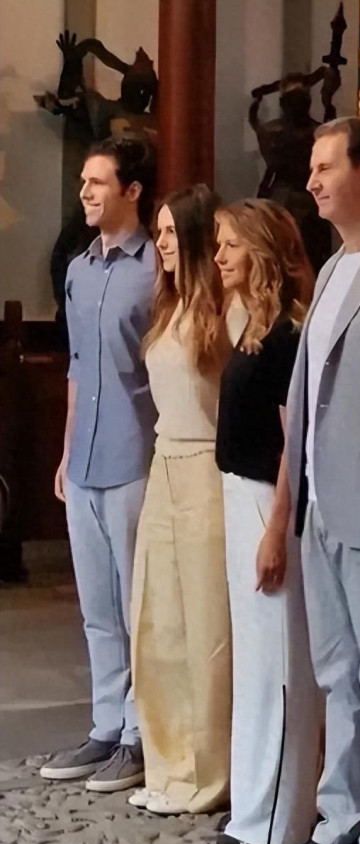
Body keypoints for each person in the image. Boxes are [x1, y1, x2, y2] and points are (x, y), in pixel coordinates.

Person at [261, 117, 360, 844]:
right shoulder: (327, 273)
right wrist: (288, 505)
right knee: (335, 670)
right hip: (320, 502)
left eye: (327, 168)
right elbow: (305, 399)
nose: (313, 182)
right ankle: (341, 824)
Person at [41, 137, 157, 792]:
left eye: (97, 182)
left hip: (136, 453)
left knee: (138, 605)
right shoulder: (78, 270)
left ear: (131, 191)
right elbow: (77, 368)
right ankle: (106, 725)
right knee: (96, 606)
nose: (85, 192)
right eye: (84, 181)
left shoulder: (157, 268)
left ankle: (140, 735)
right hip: (84, 456)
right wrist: (64, 451)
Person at [127, 184, 243, 816]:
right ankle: (167, 763)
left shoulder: (223, 310)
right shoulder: (167, 308)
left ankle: (209, 771)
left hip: (206, 468)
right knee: (158, 623)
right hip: (163, 463)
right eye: (159, 232)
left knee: (206, 629)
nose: (163, 243)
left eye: (172, 232)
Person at [213, 199, 319, 844]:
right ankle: (251, 806)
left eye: (230, 244)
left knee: (279, 663)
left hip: (265, 501)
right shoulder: (253, 324)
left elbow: (292, 446)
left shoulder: (287, 333)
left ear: (259, 251)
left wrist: (276, 529)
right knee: (253, 664)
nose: (218, 255)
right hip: (237, 493)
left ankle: (281, 818)